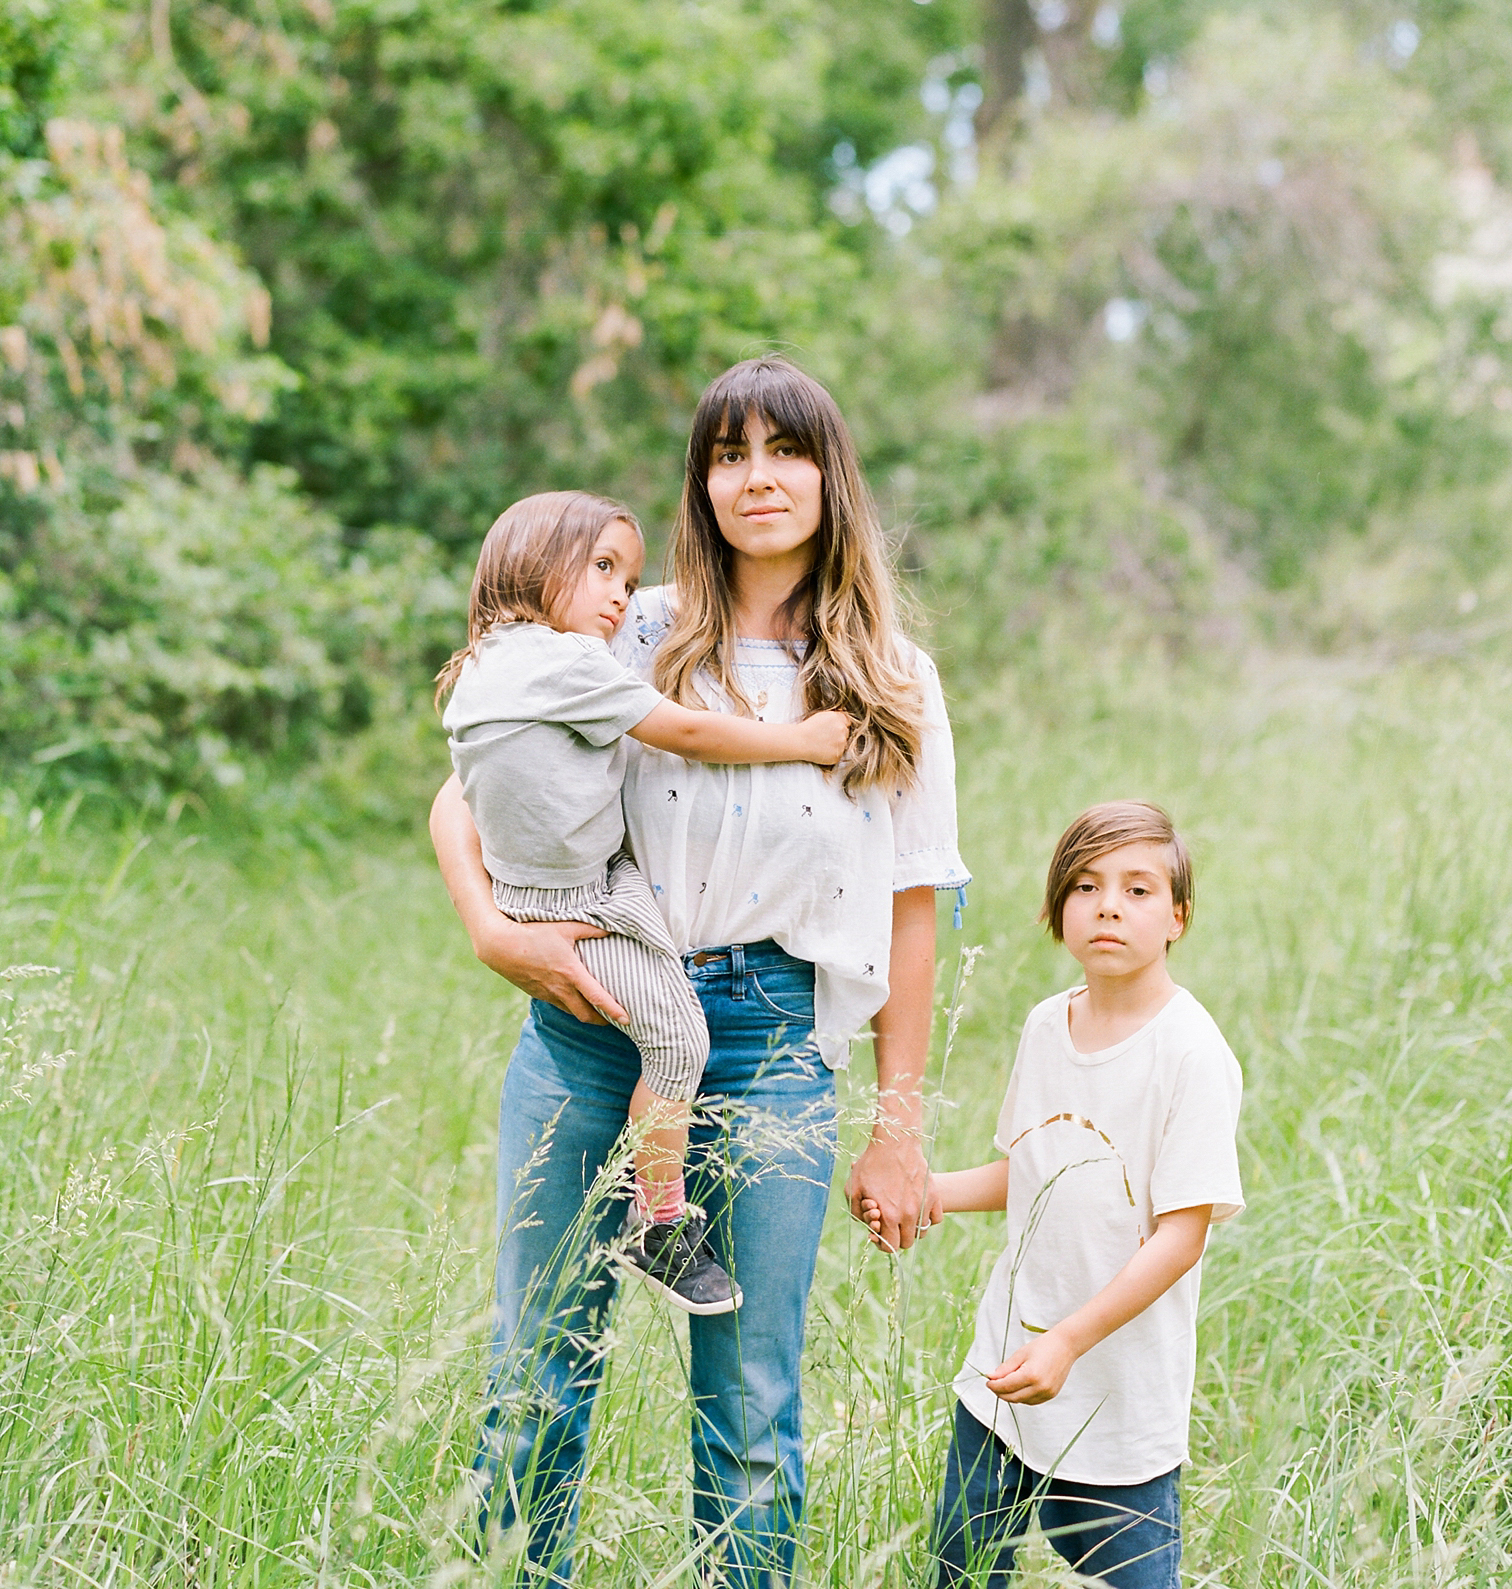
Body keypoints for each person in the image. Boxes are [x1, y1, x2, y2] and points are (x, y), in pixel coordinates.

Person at [429, 354, 970, 1588]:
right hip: (593, 1023)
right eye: (729, 453)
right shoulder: (637, 624)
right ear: (701, 481)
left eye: (784, 450)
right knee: (536, 1373)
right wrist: (493, 930)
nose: (757, 477)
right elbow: (460, 800)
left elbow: (913, 902)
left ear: (830, 476)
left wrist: (898, 1123)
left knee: (755, 1408)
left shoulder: (893, 676)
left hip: (777, 1045)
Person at [437, 486, 852, 1314]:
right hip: (584, 900)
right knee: (675, 1037)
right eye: (601, 568)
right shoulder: (567, 660)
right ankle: (655, 1217)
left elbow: (467, 795)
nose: (622, 595)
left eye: (628, 575)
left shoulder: (480, 667)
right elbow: (686, 731)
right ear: (532, 565)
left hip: (573, 883)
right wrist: (800, 740)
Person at [921, 800, 1243, 1589]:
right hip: (1005, 1370)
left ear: (1178, 916)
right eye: (1087, 885)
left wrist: (1069, 1340)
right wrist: (930, 1192)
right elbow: (1034, 1173)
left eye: (1138, 889)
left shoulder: (1192, 1052)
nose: (1108, 905)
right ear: (1057, 907)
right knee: (958, 1569)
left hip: (1116, 1392)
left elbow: (1181, 1235)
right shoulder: (1044, 1026)